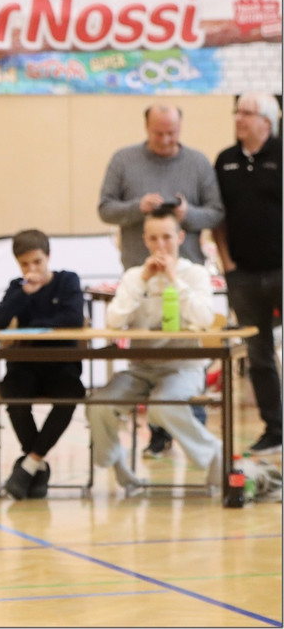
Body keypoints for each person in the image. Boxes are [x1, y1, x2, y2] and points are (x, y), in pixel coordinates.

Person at [98, 103, 224, 457]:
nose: (166, 139)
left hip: (186, 271)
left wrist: (187, 214)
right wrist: (136, 207)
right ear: (147, 128)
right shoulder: (124, 160)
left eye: (172, 133)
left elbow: (216, 213)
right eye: (159, 133)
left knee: (184, 353)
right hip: (139, 270)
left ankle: (195, 434)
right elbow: (105, 208)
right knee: (149, 349)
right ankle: (158, 437)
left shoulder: (197, 162)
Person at [86, 208, 221, 495]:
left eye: (167, 237)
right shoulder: (134, 276)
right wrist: (142, 282)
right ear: (145, 240)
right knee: (99, 405)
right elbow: (113, 321)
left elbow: (204, 318)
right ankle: (119, 466)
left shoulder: (195, 274)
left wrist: (174, 279)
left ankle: (214, 455)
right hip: (140, 368)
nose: (161, 245)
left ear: (180, 237)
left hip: (183, 367)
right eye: (154, 238)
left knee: (163, 405)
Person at [0, 229, 85, 499]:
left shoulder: (67, 280)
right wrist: (23, 293)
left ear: (48, 257)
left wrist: (34, 326)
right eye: (25, 264)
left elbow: (73, 318)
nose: (32, 269)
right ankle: (37, 467)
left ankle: (29, 464)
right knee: (11, 394)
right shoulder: (17, 287)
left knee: (71, 394)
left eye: (37, 262)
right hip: (25, 366)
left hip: (61, 366)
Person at [213, 92, 283, 455]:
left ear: (267, 121)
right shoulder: (225, 160)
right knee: (258, 355)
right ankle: (275, 429)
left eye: (247, 113)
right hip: (242, 275)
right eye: (237, 112)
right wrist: (226, 262)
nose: (238, 118)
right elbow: (218, 216)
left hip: (280, 270)